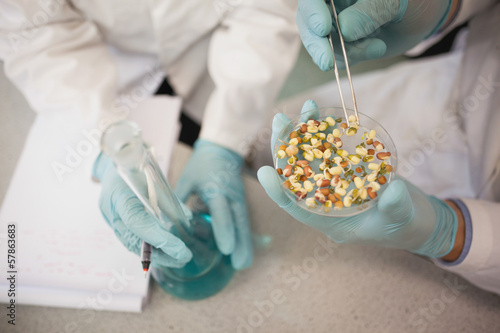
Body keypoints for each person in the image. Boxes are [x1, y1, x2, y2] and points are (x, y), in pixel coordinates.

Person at [0, 1, 301, 270]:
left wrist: (225, 139)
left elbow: (266, 9)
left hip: (221, 61)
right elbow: (35, 37)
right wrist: (104, 142)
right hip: (109, 78)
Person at [258, 0, 500, 295]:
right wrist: (441, 6)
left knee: (391, 264)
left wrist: (451, 234)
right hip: (470, 80)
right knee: (275, 127)